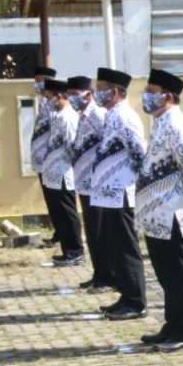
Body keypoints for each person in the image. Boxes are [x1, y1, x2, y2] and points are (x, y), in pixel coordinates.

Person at [135, 69, 183, 351]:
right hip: (155, 212)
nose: (146, 96)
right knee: (165, 272)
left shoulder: (176, 124)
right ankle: (171, 325)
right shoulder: (160, 122)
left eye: (152, 92)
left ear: (168, 96)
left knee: (178, 272)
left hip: (171, 210)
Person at [90, 67, 148, 321]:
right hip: (109, 193)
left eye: (101, 89)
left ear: (114, 92)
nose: (97, 93)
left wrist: (134, 182)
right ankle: (126, 295)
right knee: (115, 246)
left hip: (122, 192)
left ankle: (136, 301)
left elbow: (139, 152)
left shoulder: (123, 116)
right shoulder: (111, 115)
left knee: (126, 247)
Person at [67, 75, 115, 292]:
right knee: (92, 232)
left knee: (100, 232)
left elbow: (107, 145)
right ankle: (98, 273)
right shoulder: (83, 115)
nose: (71, 98)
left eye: (75, 94)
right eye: (69, 95)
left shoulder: (97, 114)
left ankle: (108, 276)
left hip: (96, 183)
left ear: (88, 95)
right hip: (84, 182)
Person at [40, 77, 85, 266]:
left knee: (67, 214)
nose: (46, 101)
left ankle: (75, 251)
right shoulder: (58, 116)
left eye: (48, 97)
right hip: (52, 174)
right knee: (59, 215)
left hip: (63, 174)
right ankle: (67, 250)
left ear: (58, 96)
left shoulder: (68, 117)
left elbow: (73, 146)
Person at [31, 66, 58, 247]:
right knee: (50, 200)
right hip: (41, 160)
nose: (36, 85)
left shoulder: (54, 104)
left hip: (50, 160)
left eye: (39, 81)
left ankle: (62, 235)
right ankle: (58, 232)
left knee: (56, 200)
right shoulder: (43, 102)